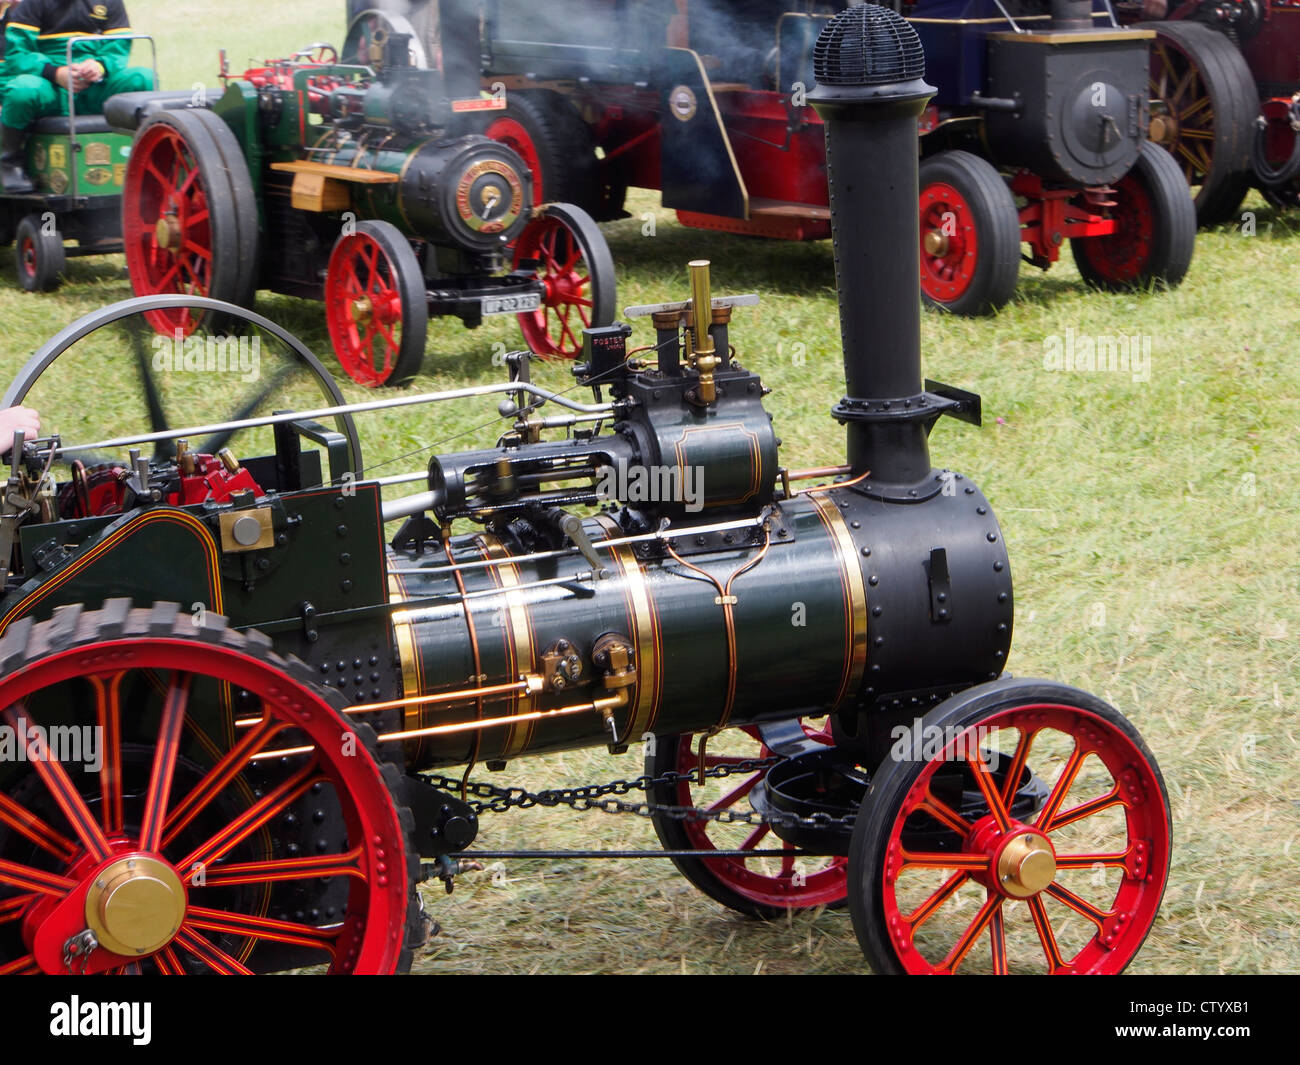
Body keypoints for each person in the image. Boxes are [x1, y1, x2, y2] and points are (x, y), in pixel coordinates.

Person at [0, 0, 153, 193]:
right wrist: (56, 73)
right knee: (21, 90)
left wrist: (99, 67)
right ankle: (10, 162)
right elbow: (17, 54)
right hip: (51, 86)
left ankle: (149, 157)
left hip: (96, 87)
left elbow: (118, 47)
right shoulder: (32, 4)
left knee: (142, 78)